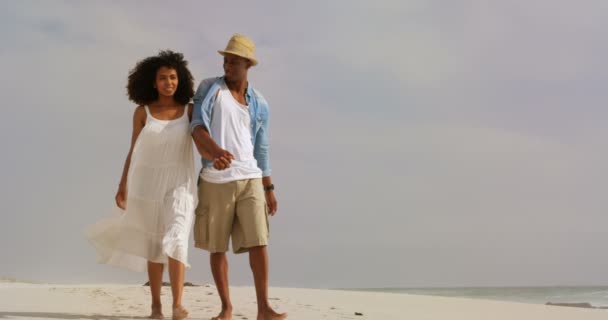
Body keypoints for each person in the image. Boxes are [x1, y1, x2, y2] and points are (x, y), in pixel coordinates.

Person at [86, 50, 197, 320]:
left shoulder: (190, 110)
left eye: (173, 77)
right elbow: (133, 149)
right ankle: (157, 306)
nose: (169, 82)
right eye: (163, 78)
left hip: (180, 183)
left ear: (180, 79)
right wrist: (123, 183)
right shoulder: (143, 112)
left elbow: (205, 137)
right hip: (148, 185)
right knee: (155, 245)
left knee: (178, 236)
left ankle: (177, 304)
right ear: (153, 82)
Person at [190, 34, 287, 320]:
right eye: (225, 61)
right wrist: (215, 151)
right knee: (217, 246)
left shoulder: (260, 103)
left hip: (250, 177)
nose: (227, 66)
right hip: (215, 179)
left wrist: (269, 186)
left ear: (248, 65)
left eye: (233, 61)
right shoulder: (210, 88)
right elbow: (196, 127)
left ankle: (263, 308)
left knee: (259, 241)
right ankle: (226, 307)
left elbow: (262, 147)